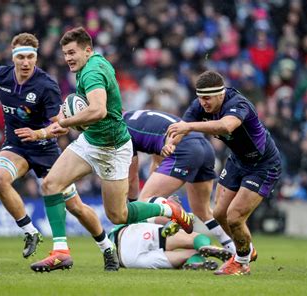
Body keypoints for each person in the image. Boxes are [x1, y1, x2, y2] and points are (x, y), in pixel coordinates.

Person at [31, 27, 194, 272]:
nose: (68, 58)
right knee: (50, 184)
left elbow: (98, 110)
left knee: (118, 215)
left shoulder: (93, 71)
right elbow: (87, 110)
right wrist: (67, 120)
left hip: (113, 149)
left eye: (72, 52)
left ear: (88, 50)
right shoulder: (92, 64)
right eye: (65, 53)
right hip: (91, 142)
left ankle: (167, 208)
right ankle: (61, 252)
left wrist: (64, 122)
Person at [0, 33, 119, 270]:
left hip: (45, 150)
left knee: (75, 206)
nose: (26, 62)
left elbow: (61, 126)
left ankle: (106, 247)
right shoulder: (0, 76)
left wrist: (39, 134)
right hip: (16, 147)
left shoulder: (46, 85)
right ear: (13, 57)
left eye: (31, 57)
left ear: (36, 58)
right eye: (21, 57)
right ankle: (29, 231)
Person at [166, 70, 282, 275]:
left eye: (207, 98)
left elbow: (225, 126)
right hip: (238, 161)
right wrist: (170, 144)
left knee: (235, 217)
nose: (203, 103)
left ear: (221, 94)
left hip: (263, 165)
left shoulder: (238, 104)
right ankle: (246, 250)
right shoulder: (199, 105)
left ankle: (241, 262)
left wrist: (189, 128)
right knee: (219, 214)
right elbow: (180, 129)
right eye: (200, 98)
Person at [124, 109, 236, 253]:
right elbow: (158, 161)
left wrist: (135, 209)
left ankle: (175, 212)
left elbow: (131, 178)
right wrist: (158, 198)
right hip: (204, 146)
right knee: (203, 211)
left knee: (145, 200)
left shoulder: (122, 130)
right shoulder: (140, 114)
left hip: (184, 148)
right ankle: (237, 251)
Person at [108, 206, 233, 270]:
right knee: (196, 238)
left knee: (188, 255)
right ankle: (204, 246)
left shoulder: (115, 226)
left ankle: (194, 263)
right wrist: (177, 219)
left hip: (126, 260)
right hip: (131, 236)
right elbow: (156, 218)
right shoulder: (133, 213)